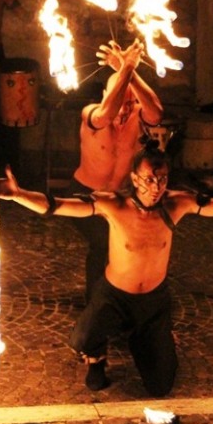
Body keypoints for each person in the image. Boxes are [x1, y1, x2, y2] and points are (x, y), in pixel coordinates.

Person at [0, 144, 213, 397]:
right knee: (83, 338)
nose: (155, 186)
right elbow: (56, 207)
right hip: (113, 297)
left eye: (161, 178)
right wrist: (17, 196)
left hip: (153, 303)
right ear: (134, 178)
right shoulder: (113, 204)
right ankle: (96, 356)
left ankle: (142, 340)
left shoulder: (178, 203)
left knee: (161, 387)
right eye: (148, 179)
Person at [69, 38, 164, 300]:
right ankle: (96, 307)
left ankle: (126, 297)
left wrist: (129, 70)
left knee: (128, 245)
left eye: (131, 103)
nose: (125, 109)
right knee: (102, 244)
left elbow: (156, 113)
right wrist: (124, 70)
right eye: (120, 100)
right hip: (84, 193)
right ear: (107, 96)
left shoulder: (137, 117)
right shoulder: (92, 113)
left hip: (119, 196)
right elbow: (106, 115)